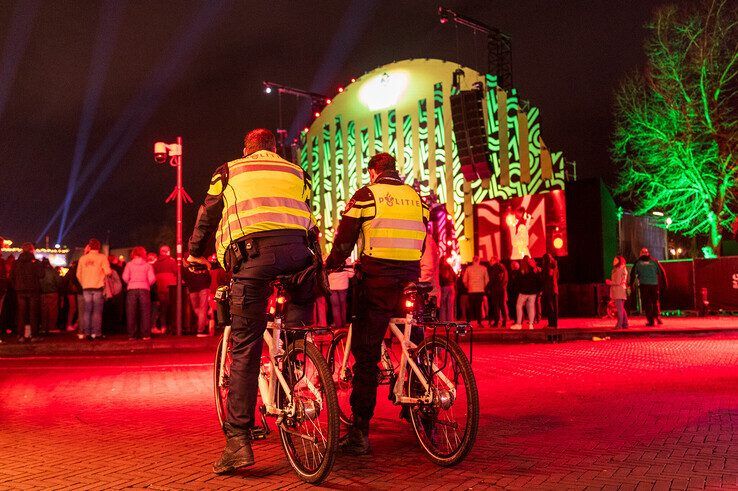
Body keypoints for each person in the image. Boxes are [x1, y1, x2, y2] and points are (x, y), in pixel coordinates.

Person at [187, 128, 319, 474]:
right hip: (300, 257)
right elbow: (309, 216)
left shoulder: (229, 170)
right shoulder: (297, 172)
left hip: (253, 258)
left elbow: (208, 213)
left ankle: (238, 442)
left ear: (247, 148)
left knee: (245, 346)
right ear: (275, 150)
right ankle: (294, 372)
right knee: (297, 329)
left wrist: (194, 253)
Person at [325, 152, 429, 456]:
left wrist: (332, 264)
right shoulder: (416, 198)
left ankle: (359, 430)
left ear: (373, 172)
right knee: (413, 342)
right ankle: (419, 400)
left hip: (377, 281)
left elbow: (345, 239)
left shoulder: (367, 196)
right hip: (409, 278)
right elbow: (421, 239)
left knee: (366, 353)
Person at [76, 239, 111, 340]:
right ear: (99, 247)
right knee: (97, 311)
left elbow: (78, 273)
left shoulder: (83, 258)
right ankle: (97, 333)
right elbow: (108, 271)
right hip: (98, 286)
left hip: (86, 287)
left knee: (87, 310)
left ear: (89, 247)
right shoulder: (102, 257)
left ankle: (87, 333)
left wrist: (83, 283)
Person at [10, 243, 43, 342]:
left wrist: (16, 286)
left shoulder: (16, 263)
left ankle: (20, 336)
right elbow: (42, 274)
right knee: (33, 313)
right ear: (31, 250)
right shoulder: (35, 262)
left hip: (20, 290)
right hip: (33, 290)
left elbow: (12, 276)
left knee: (21, 313)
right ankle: (34, 336)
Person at [122, 246, 156, 340]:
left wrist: (130, 282)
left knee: (131, 312)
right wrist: (146, 284)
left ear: (133, 254)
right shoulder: (147, 265)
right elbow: (152, 278)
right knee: (145, 312)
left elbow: (125, 277)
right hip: (144, 289)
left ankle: (132, 335)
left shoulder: (129, 264)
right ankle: (145, 334)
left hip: (132, 289)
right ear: (143, 254)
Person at [630, 247, 668, 326]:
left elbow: (633, 274)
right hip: (654, 284)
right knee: (655, 302)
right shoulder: (654, 261)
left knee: (647, 303)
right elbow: (662, 272)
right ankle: (657, 317)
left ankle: (651, 321)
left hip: (644, 285)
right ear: (648, 253)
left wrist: (631, 285)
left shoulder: (637, 262)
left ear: (640, 254)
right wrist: (665, 283)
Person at [182, 254, 212, 337]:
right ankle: (203, 325)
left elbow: (184, 278)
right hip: (203, 287)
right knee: (202, 309)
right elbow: (209, 274)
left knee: (197, 308)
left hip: (193, 288)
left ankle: (201, 327)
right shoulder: (202, 262)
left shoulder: (185, 267)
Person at [510, 256, 542, 330]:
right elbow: (538, 280)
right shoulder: (533, 270)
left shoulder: (521, 271)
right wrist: (538, 290)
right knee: (531, 307)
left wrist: (519, 289)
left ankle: (519, 324)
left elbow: (517, 282)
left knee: (518, 306)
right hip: (532, 292)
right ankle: (531, 324)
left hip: (523, 292)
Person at [152, 245, 177, 334]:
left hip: (159, 288)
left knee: (161, 309)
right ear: (167, 252)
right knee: (171, 309)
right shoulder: (172, 262)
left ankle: (163, 326)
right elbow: (177, 273)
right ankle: (171, 327)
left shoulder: (155, 264)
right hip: (170, 288)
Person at [462, 256, 489, 328]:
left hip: (471, 290)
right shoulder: (483, 268)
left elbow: (464, 280)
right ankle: (479, 322)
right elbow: (487, 280)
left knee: (470, 306)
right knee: (479, 307)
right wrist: (483, 286)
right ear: (479, 261)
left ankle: (468, 322)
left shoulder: (468, 268)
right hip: (480, 290)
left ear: (473, 261)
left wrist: (468, 286)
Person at [328, 259, 354, 328]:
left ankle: (338, 325)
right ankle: (343, 324)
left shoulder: (329, 258)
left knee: (335, 306)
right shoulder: (346, 258)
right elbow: (351, 274)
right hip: (343, 285)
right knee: (343, 305)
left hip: (332, 285)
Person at [39, 258, 60, 335]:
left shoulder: (40, 271)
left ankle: (44, 327)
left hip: (42, 293)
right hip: (52, 292)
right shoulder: (53, 271)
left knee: (43, 311)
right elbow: (59, 281)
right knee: (52, 311)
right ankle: (52, 327)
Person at [607, 255, 629, 329]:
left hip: (618, 291)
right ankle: (625, 324)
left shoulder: (619, 269)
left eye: (616, 260)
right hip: (620, 291)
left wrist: (609, 282)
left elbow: (617, 281)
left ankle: (619, 325)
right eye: (614, 260)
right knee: (621, 308)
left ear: (620, 261)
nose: (614, 262)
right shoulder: (620, 269)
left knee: (619, 309)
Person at [487, 256, 508, 327]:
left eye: (491, 260)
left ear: (495, 260)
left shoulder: (495, 268)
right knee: (502, 305)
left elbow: (493, 279)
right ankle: (504, 322)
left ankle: (496, 322)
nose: (490, 262)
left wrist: (488, 287)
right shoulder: (503, 267)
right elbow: (505, 279)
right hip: (501, 288)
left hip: (495, 289)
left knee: (496, 306)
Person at [541, 253, 559, 328]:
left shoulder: (548, 266)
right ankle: (554, 323)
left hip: (549, 289)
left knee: (550, 307)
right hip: (554, 288)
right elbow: (557, 277)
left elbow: (548, 277)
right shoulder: (555, 266)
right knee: (555, 306)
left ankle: (552, 323)